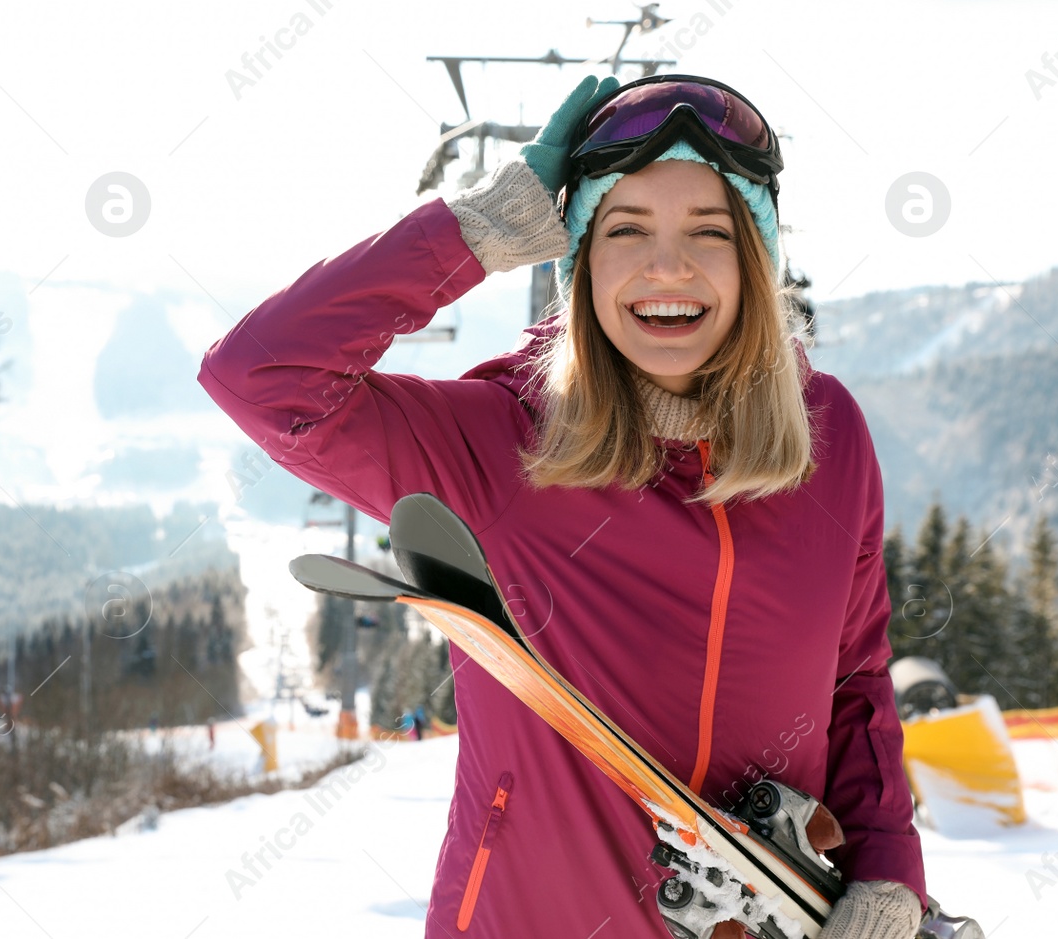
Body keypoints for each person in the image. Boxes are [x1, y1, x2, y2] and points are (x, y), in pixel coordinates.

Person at [198, 73, 925, 939]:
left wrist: (886, 868)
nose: (669, 267)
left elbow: (855, 683)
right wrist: (484, 229)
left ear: (755, 260)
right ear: (576, 260)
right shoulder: (499, 443)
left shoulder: (825, 432)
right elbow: (262, 374)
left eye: (709, 232)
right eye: (625, 231)